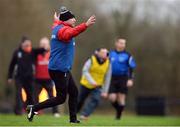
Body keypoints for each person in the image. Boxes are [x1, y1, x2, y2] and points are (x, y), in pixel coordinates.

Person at [26, 6, 96, 123]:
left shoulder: (58, 26)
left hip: (62, 68)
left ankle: (73, 120)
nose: (74, 20)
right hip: (59, 69)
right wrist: (86, 25)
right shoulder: (63, 30)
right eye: (72, 18)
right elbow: (72, 33)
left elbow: (58, 25)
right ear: (66, 21)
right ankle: (34, 108)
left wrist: (57, 20)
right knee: (60, 98)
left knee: (74, 92)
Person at [7, 36, 45, 115]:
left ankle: (31, 110)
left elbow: (42, 50)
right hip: (19, 77)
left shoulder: (32, 51)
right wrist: (10, 77)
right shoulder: (17, 52)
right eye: (26, 45)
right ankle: (18, 111)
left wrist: (45, 48)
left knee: (30, 95)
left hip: (30, 78)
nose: (28, 47)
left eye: (29, 45)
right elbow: (12, 65)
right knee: (19, 94)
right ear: (22, 44)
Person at [77, 48, 111, 120]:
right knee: (80, 100)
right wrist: (92, 82)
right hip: (86, 84)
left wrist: (105, 91)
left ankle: (84, 115)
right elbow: (85, 71)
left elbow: (108, 77)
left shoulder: (108, 63)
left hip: (98, 86)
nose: (105, 54)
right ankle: (74, 112)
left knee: (96, 100)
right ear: (98, 53)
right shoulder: (91, 60)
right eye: (103, 52)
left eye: (106, 53)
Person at [108, 38, 136, 120]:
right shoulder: (110, 54)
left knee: (121, 97)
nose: (122, 45)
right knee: (112, 98)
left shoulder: (128, 55)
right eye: (120, 43)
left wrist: (130, 79)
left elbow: (131, 68)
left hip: (123, 78)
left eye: (124, 43)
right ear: (116, 43)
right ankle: (119, 110)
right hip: (112, 77)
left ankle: (118, 117)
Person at [34, 37, 60, 117]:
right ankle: (35, 111)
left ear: (48, 45)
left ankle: (55, 112)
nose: (43, 45)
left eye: (45, 44)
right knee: (35, 96)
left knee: (52, 96)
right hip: (38, 79)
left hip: (48, 79)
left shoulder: (52, 53)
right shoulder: (36, 54)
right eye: (42, 44)